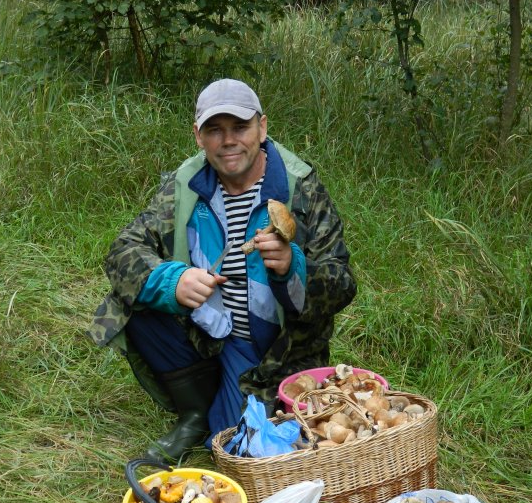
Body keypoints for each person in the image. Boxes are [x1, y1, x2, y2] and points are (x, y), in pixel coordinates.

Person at [89, 78, 356, 463]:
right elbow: (123, 251)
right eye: (215, 130)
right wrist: (173, 281)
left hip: (276, 351)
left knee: (238, 449)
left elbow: (343, 282)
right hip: (210, 331)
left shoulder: (299, 186)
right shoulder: (186, 184)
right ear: (198, 136)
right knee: (133, 295)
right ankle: (194, 410)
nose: (228, 141)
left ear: (262, 128)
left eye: (240, 127)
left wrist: (294, 268)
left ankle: (225, 404)